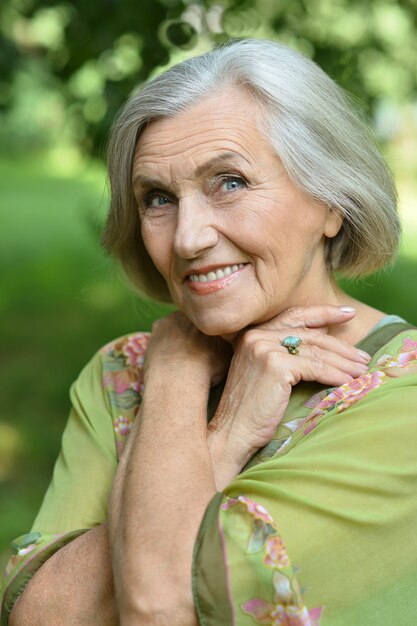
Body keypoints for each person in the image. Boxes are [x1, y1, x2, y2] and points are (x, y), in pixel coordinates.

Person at [2, 38, 417, 626]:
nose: (188, 238)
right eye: (158, 198)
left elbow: (159, 606)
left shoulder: (403, 400)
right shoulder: (124, 372)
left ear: (332, 202)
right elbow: (39, 619)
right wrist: (181, 379)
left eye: (230, 182)